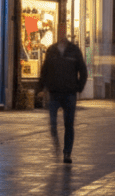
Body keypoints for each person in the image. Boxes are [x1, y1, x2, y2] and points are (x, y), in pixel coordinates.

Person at [38, 20, 88, 165]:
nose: (61, 33)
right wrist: (41, 88)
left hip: (69, 93)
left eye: (62, 31)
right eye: (58, 31)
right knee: (53, 124)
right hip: (54, 93)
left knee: (69, 124)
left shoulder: (74, 50)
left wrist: (79, 87)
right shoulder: (52, 50)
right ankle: (57, 146)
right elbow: (44, 71)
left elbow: (83, 70)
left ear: (65, 33)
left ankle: (67, 153)